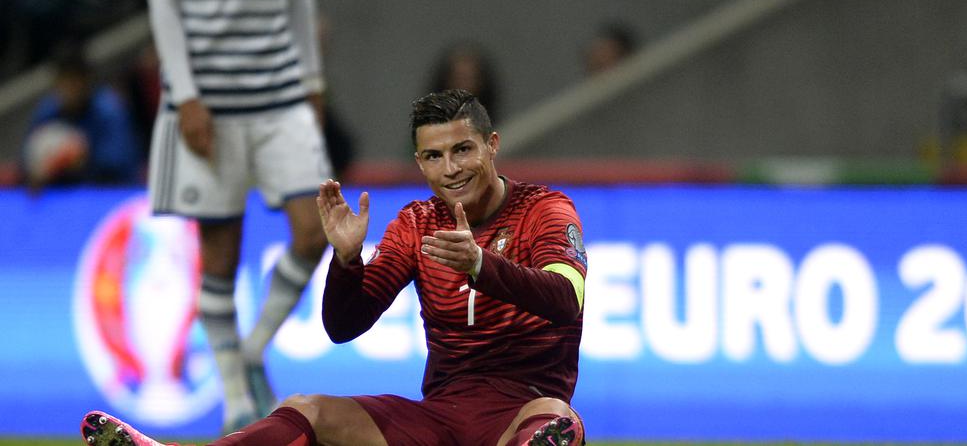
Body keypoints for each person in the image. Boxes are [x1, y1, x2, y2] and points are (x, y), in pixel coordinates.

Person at [81, 89, 587, 446]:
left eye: (463, 150)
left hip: (524, 409)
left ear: (491, 145)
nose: (450, 169)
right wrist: (346, 262)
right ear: (419, 162)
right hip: (439, 420)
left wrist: (483, 266)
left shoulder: (545, 210)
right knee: (308, 409)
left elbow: (567, 302)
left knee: (557, 424)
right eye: (434, 156)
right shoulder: (415, 223)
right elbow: (344, 327)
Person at [122, 0, 333, 433]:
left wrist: (312, 79)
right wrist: (183, 93)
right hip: (208, 100)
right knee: (220, 252)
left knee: (314, 233)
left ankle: (249, 351)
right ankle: (239, 397)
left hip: (278, 95)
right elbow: (162, 2)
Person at [22, 43, 140, 187]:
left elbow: (119, 162)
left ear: (87, 79)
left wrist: (80, 158)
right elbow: (25, 162)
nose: (70, 88)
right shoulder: (47, 112)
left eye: (75, 80)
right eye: (64, 80)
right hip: (59, 197)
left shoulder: (109, 110)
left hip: (108, 194)